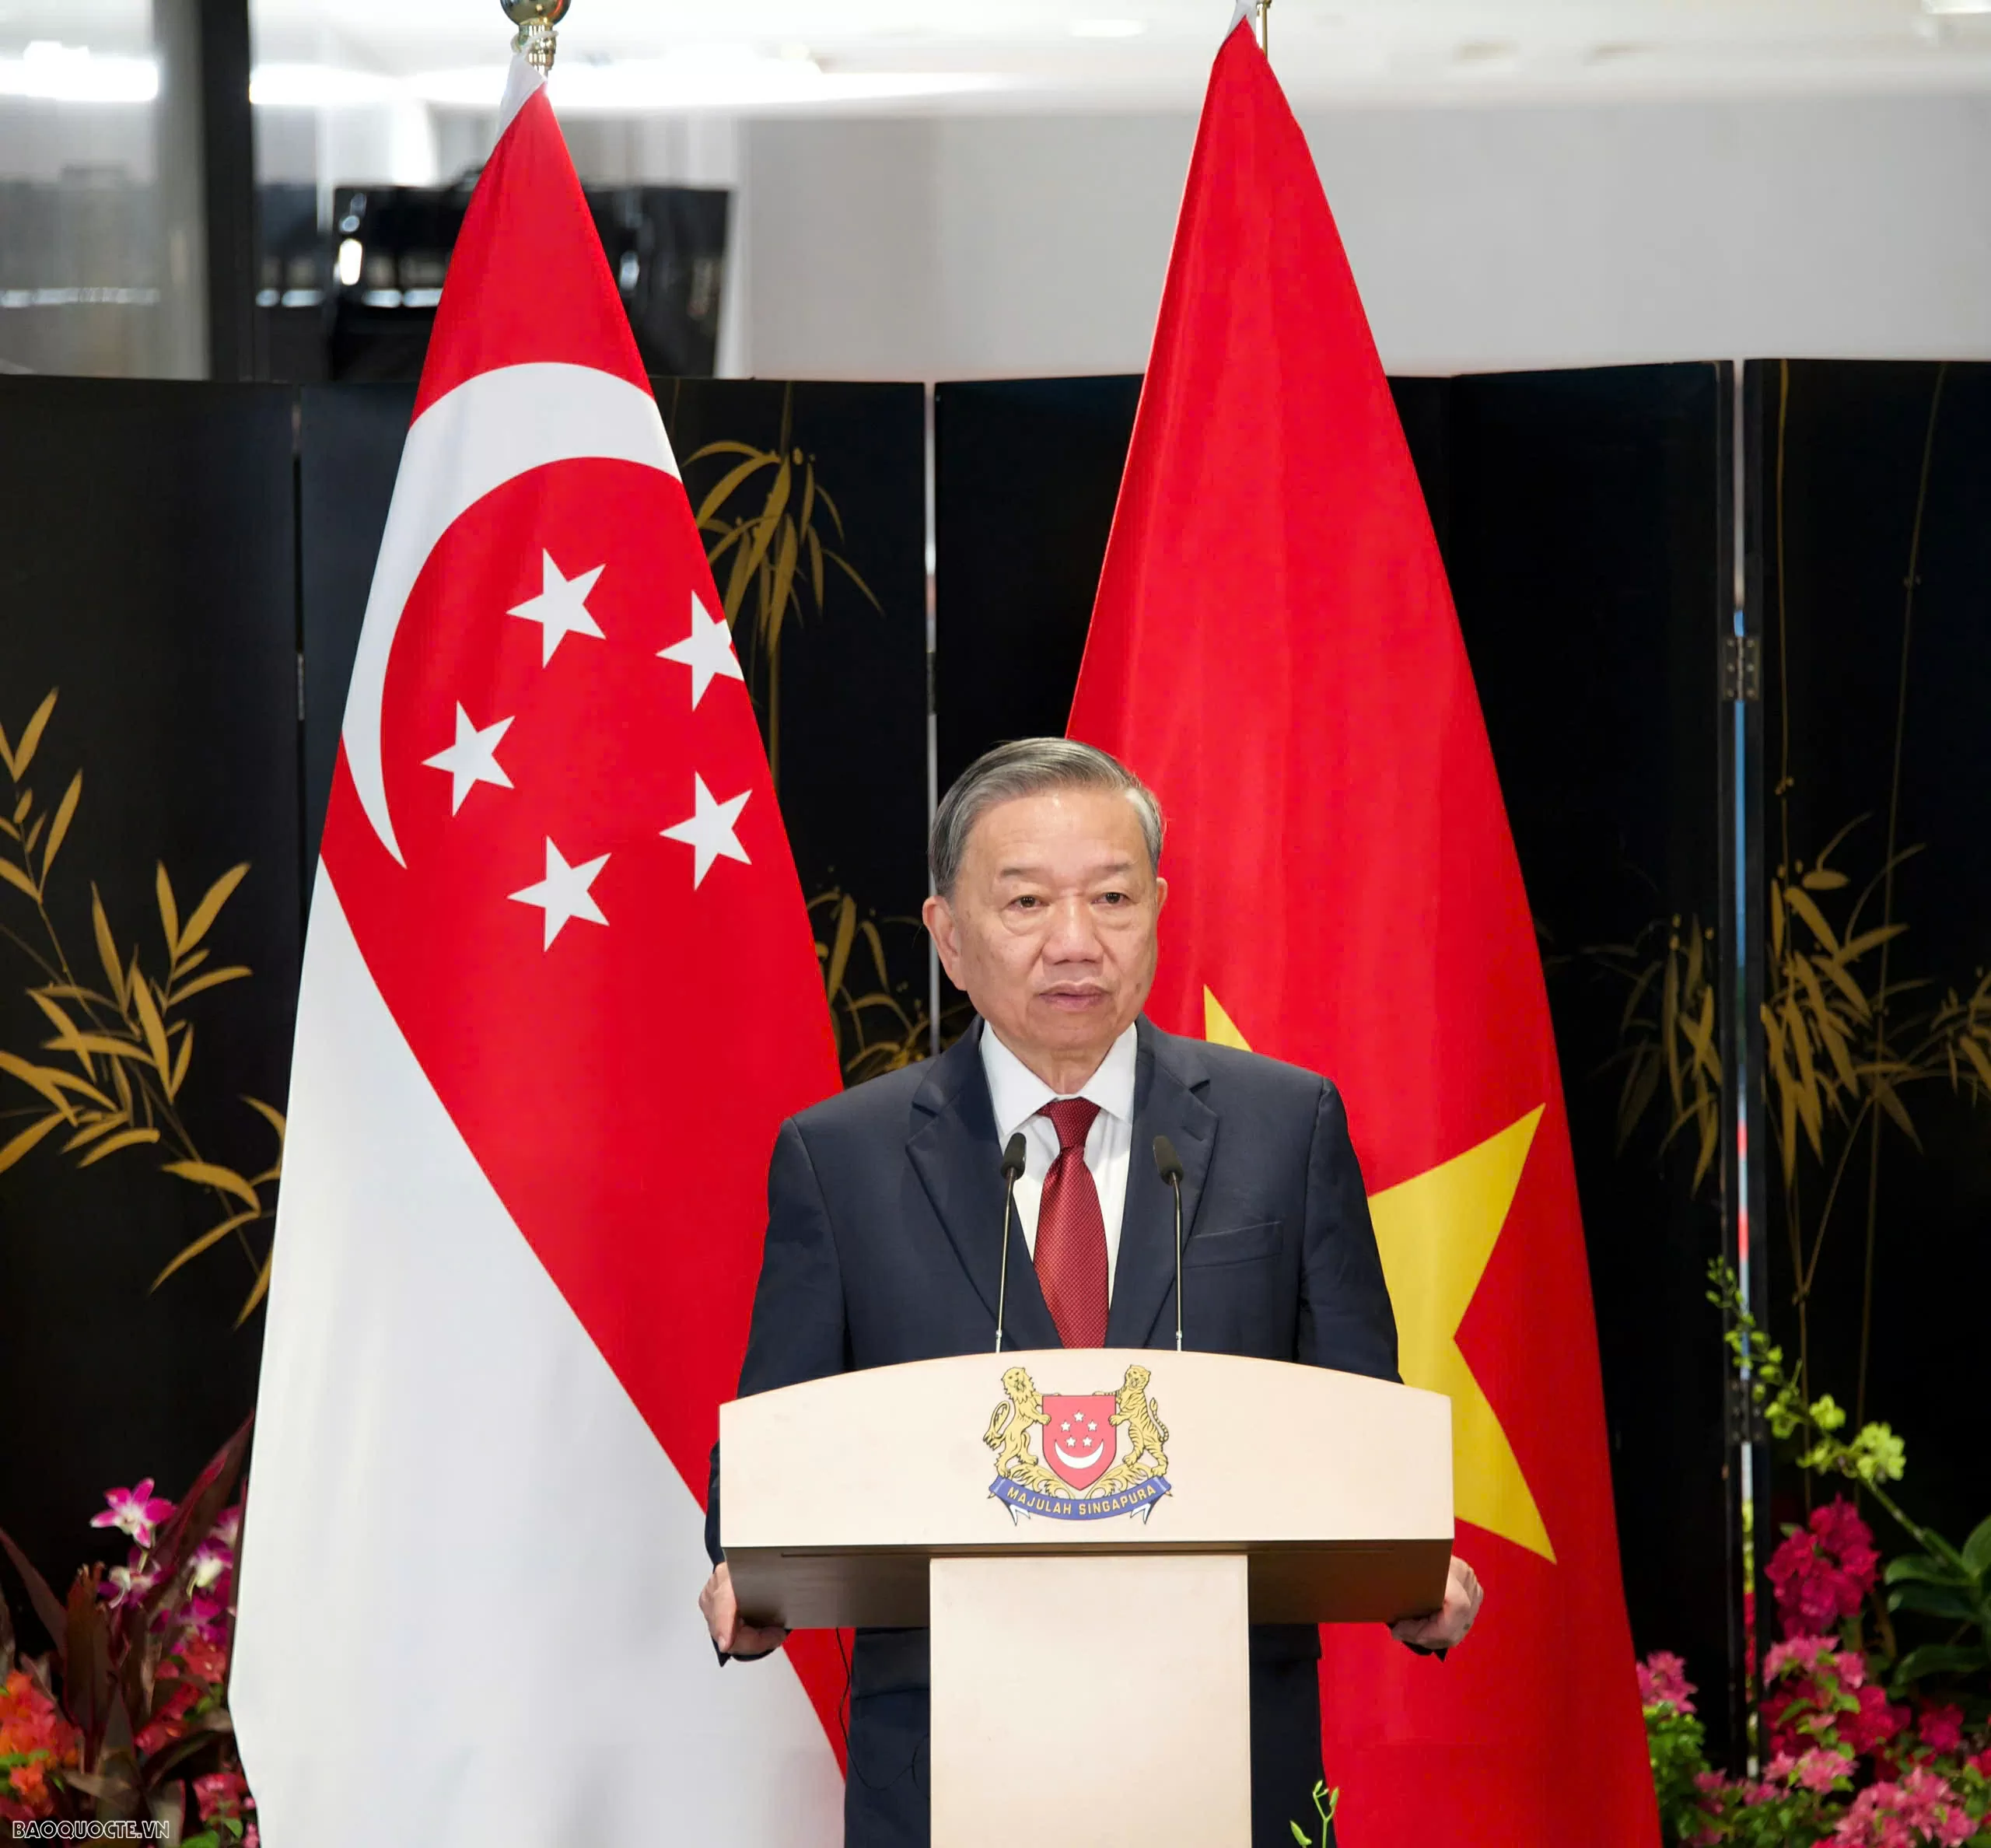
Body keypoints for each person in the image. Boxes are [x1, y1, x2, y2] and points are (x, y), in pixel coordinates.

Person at [700, 737, 1482, 1847]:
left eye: (1112, 897)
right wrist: (747, 1570)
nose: (1075, 940)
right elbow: (768, 1458)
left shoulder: (1283, 1127)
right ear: (950, 937)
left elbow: (1362, 1421)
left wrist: (1409, 1559)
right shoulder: (843, 1159)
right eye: (1026, 902)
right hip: (946, 1770)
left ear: (1157, 910)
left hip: (1225, 1760)